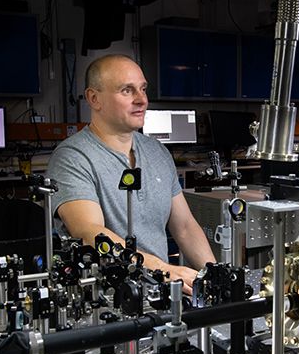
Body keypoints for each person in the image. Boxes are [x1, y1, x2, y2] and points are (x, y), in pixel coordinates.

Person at [46, 54, 215, 294]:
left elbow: (185, 227)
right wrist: (163, 269)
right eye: (127, 91)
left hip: (161, 293)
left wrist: (215, 274)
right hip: (108, 298)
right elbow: (90, 232)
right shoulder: (73, 157)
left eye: (143, 89)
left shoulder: (157, 151)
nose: (142, 100)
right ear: (94, 99)